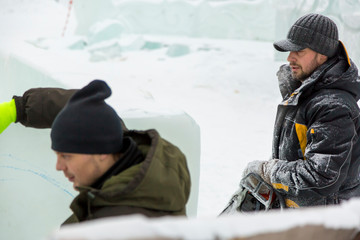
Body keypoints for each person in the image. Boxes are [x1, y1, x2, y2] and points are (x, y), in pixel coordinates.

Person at [0, 80, 191, 224]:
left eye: (66, 156)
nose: (58, 166)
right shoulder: (131, 158)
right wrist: (17, 109)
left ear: (100, 152)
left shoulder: (110, 227)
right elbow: (87, 110)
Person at [241, 13, 360, 208]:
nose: (290, 58)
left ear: (322, 55)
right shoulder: (307, 95)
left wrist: (268, 171)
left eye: (299, 51)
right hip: (303, 217)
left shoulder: (333, 106)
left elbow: (320, 176)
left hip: (324, 225)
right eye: (289, 50)